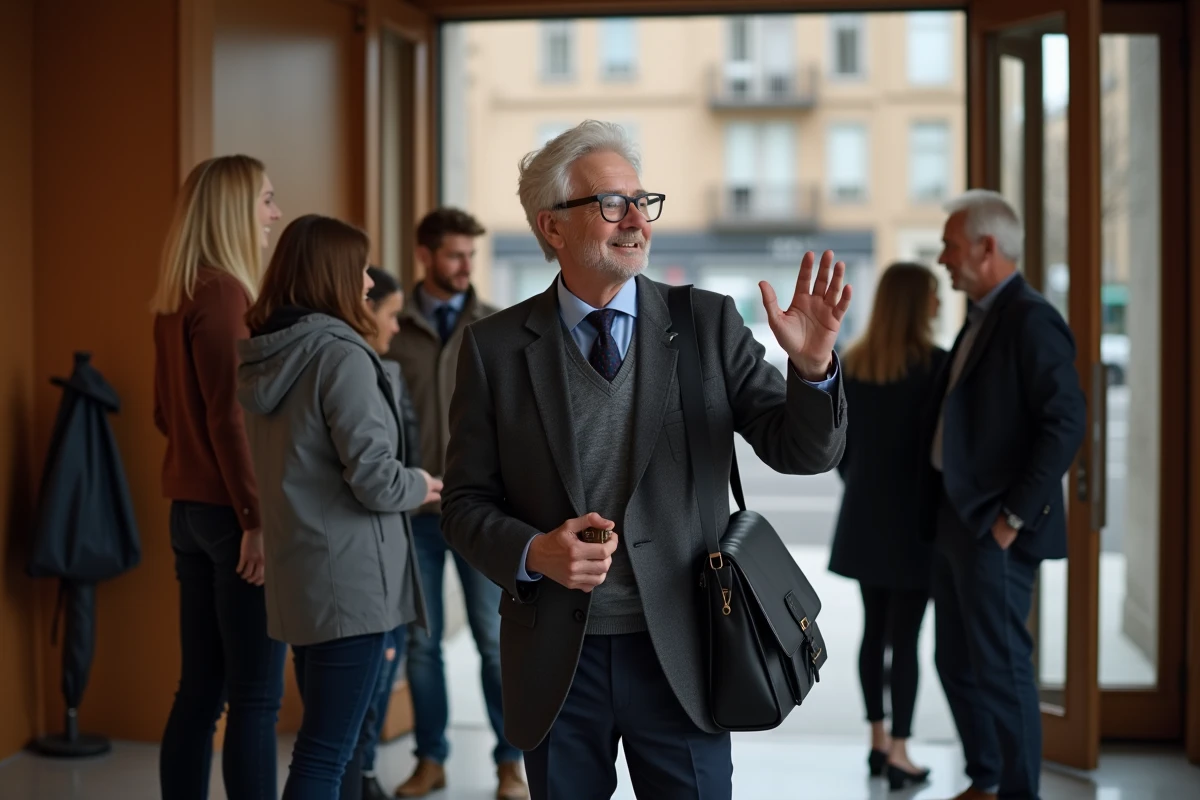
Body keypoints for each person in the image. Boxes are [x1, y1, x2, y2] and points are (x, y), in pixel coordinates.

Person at [440, 119, 850, 800]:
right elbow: (463, 506)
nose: (636, 220)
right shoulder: (494, 348)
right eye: (610, 203)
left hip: (686, 654)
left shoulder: (708, 324)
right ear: (552, 228)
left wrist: (811, 368)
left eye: (642, 200)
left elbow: (803, 451)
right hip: (556, 664)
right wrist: (535, 551)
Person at [236, 214, 441, 800]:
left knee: (339, 750)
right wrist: (421, 483)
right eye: (358, 272)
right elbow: (375, 480)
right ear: (331, 276)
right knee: (328, 754)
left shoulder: (268, 356)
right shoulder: (341, 356)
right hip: (352, 586)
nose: (368, 286)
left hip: (303, 577)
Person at [919, 190, 1086, 800]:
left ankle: (1016, 792)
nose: (943, 258)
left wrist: (1012, 518)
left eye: (951, 245)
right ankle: (986, 779)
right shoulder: (983, 313)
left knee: (1002, 670)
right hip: (956, 519)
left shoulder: (1031, 318)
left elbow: (1066, 423)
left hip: (994, 529)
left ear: (987, 248)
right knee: (955, 663)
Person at [151, 154, 287, 800]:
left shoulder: (177, 295)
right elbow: (232, 421)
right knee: (256, 698)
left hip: (188, 510)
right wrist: (255, 521)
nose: (274, 213)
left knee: (200, 691)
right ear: (234, 209)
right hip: (231, 516)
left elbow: (164, 414)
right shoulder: (226, 293)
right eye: (264, 199)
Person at [385, 209, 525, 800]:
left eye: (471, 255)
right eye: (453, 255)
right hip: (413, 515)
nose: (466, 266)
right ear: (424, 255)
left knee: (496, 645)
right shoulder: (390, 327)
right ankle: (430, 759)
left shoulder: (493, 325)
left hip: (480, 514)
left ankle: (510, 764)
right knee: (421, 644)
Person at [828, 262, 947, 790]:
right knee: (907, 637)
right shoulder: (937, 368)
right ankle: (901, 749)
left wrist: (863, 486)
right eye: (935, 295)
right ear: (919, 303)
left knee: (874, 633)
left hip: (865, 517)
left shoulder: (854, 364)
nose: (941, 303)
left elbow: (837, 451)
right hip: (917, 522)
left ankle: (877, 742)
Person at [349, 266, 422, 800]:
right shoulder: (352, 372)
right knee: (372, 675)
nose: (395, 328)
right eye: (390, 314)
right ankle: (363, 772)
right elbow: (378, 472)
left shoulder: (383, 370)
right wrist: (422, 483)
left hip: (400, 531)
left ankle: (365, 771)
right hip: (376, 541)